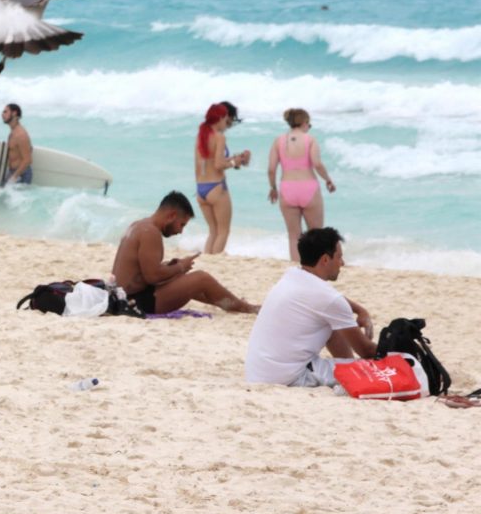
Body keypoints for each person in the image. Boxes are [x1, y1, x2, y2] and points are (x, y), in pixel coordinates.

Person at [245, 227, 375, 388]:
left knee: (332, 320)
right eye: (339, 257)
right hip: (286, 376)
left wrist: (360, 310)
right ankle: (349, 367)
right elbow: (367, 351)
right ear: (325, 260)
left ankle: (348, 364)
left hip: (259, 371)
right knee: (363, 370)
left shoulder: (292, 274)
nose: (342, 263)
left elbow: (330, 298)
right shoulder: (328, 299)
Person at [110, 191, 259, 315]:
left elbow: (142, 272)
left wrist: (171, 267)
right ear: (171, 216)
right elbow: (152, 276)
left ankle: (230, 303)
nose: (180, 231)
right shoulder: (150, 232)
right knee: (201, 278)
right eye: (181, 224)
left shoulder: (139, 225)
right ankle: (244, 307)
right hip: (134, 301)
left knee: (182, 278)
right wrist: (181, 266)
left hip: (123, 295)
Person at [267, 108, 336, 261]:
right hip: (308, 188)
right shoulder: (310, 140)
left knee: (294, 236)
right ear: (304, 123)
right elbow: (317, 163)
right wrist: (328, 180)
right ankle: (315, 268)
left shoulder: (278, 141)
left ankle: (297, 268)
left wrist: (273, 188)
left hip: (287, 188)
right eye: (309, 124)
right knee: (316, 234)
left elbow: (271, 169)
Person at [194, 104, 244, 254]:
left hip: (201, 188)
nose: (227, 122)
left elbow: (206, 162)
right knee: (223, 232)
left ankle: (208, 262)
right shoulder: (219, 137)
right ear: (221, 118)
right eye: (226, 118)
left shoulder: (201, 135)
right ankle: (214, 261)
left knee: (213, 232)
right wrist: (236, 162)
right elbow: (218, 164)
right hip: (216, 187)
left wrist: (232, 159)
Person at [1, 103, 32, 186]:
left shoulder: (21, 135)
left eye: (5, 112)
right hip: (13, 172)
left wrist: (14, 177)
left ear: (14, 113)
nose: (2, 114)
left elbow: (27, 160)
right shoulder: (13, 131)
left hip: (21, 175)